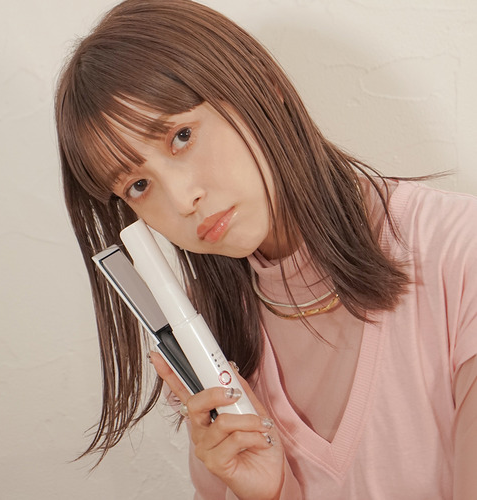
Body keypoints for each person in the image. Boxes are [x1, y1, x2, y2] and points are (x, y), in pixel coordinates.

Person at [55, 0, 477, 498]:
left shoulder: (459, 252)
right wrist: (271, 492)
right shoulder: (212, 349)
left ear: (262, 89)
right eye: (139, 186)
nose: (182, 199)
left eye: (181, 136)